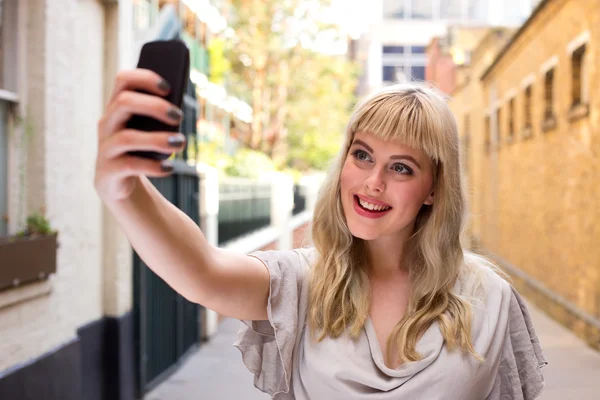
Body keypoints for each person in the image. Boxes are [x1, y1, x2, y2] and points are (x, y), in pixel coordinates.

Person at [95, 70, 547, 400]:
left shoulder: (490, 297)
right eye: (363, 155)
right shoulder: (303, 281)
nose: (373, 181)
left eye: (401, 167)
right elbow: (202, 270)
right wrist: (123, 190)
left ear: (433, 189)